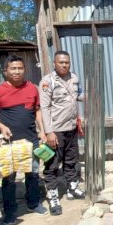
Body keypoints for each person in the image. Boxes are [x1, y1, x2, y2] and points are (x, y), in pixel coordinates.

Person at [0, 55, 47, 225]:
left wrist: (42, 130)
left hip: (31, 141)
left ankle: (33, 203)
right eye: (13, 68)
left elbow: (37, 111)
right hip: (9, 143)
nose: (17, 71)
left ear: (24, 70)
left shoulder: (32, 89)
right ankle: (10, 213)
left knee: (33, 173)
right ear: (5, 71)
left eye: (20, 68)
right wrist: (1, 127)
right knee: (9, 179)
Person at [39, 50, 85, 215]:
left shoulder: (74, 77)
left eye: (67, 62)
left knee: (71, 159)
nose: (64, 65)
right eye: (61, 62)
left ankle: (71, 187)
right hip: (56, 130)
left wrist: (91, 95)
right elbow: (44, 107)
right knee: (52, 164)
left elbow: (77, 96)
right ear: (54, 63)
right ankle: (52, 195)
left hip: (71, 127)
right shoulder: (47, 81)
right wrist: (49, 132)